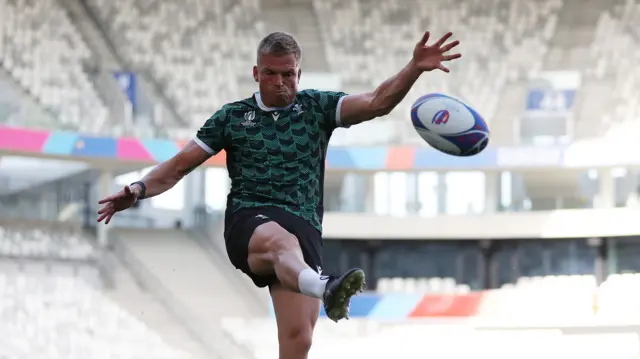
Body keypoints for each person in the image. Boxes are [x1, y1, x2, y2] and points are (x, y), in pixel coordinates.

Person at [97, 30, 460, 359]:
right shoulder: (233, 117)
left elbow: (378, 101)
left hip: (305, 226)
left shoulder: (317, 107)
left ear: (299, 74)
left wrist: (414, 66)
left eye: (288, 74)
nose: (281, 82)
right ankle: (326, 286)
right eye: (271, 73)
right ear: (256, 73)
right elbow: (178, 165)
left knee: (299, 338)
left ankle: (320, 286)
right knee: (280, 243)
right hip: (250, 220)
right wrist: (138, 189)